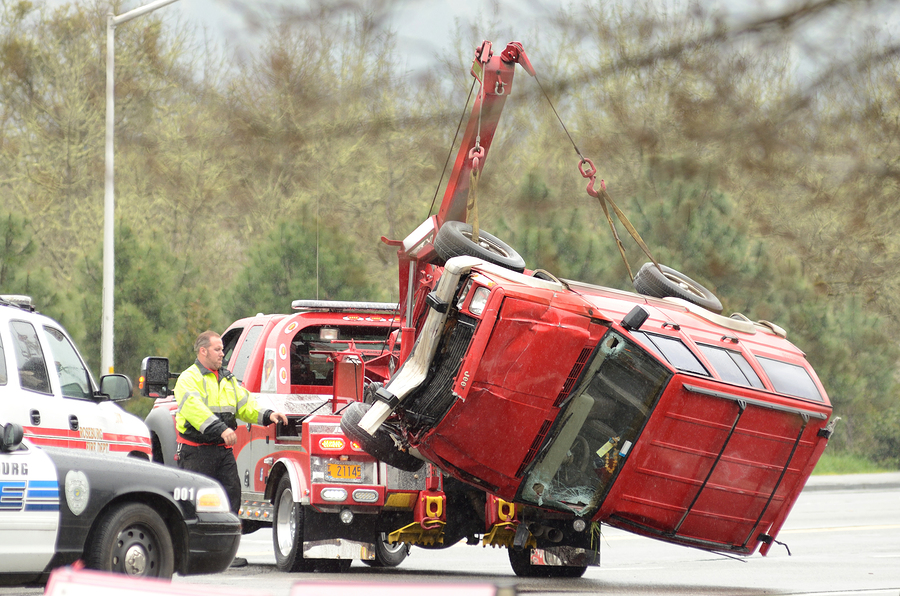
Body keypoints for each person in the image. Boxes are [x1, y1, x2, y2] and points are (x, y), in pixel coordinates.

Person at [174, 330, 288, 567]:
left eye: (222, 349)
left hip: (221, 452)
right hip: (196, 452)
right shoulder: (188, 378)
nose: (222, 353)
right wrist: (221, 429)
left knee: (230, 498)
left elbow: (245, 405)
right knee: (195, 503)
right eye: (217, 349)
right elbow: (195, 411)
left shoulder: (227, 379)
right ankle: (192, 553)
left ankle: (226, 554)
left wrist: (268, 415)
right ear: (202, 351)